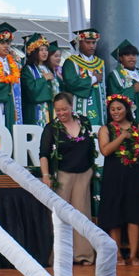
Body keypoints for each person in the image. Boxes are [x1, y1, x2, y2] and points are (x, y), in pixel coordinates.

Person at [39, 92, 96, 264]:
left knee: (82, 214)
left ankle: (83, 255)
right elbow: (44, 153)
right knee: (61, 216)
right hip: (62, 175)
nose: (61, 113)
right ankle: (60, 256)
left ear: (71, 106)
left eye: (64, 109)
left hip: (84, 173)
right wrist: (46, 175)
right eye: (58, 110)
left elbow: (91, 146)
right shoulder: (51, 128)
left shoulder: (84, 122)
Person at [98, 94, 139, 265]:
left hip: (133, 176)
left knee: (134, 214)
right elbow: (105, 151)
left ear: (126, 109)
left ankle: (133, 256)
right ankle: (118, 255)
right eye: (112, 109)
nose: (116, 112)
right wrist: (121, 137)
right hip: (113, 176)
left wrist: (134, 159)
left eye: (119, 108)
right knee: (114, 214)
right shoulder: (105, 129)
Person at [61, 27, 106, 126]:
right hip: (81, 107)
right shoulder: (71, 62)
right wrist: (94, 79)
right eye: (88, 42)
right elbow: (71, 84)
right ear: (79, 43)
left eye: (94, 43)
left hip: (99, 108)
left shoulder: (100, 63)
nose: (91, 46)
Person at [107, 39, 139, 126]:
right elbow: (113, 98)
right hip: (125, 119)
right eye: (127, 55)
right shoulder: (114, 76)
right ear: (121, 58)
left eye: (134, 55)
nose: (131, 57)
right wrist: (133, 90)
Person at [21, 34, 58, 125]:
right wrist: (44, 78)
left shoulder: (48, 68)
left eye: (46, 50)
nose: (45, 53)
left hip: (50, 107)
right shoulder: (27, 70)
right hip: (35, 110)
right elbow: (31, 90)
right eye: (41, 50)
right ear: (34, 51)